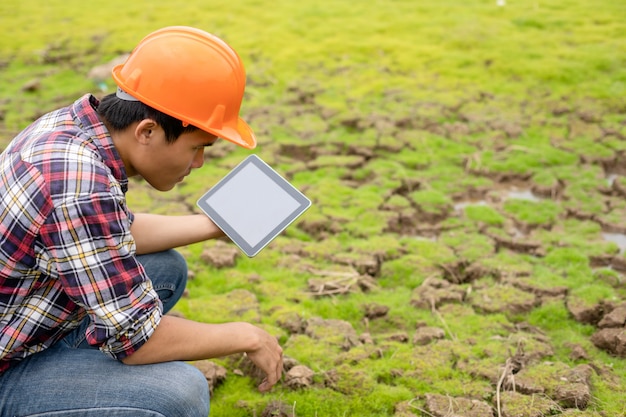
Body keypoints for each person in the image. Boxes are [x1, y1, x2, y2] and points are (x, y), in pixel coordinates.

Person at [0, 26, 283, 416]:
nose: (198, 163)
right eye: (197, 147)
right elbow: (140, 341)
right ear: (147, 130)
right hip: (7, 363)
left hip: (23, 318)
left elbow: (110, 232)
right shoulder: (79, 185)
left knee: (165, 268)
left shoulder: (71, 130)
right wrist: (247, 335)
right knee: (178, 393)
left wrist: (215, 225)